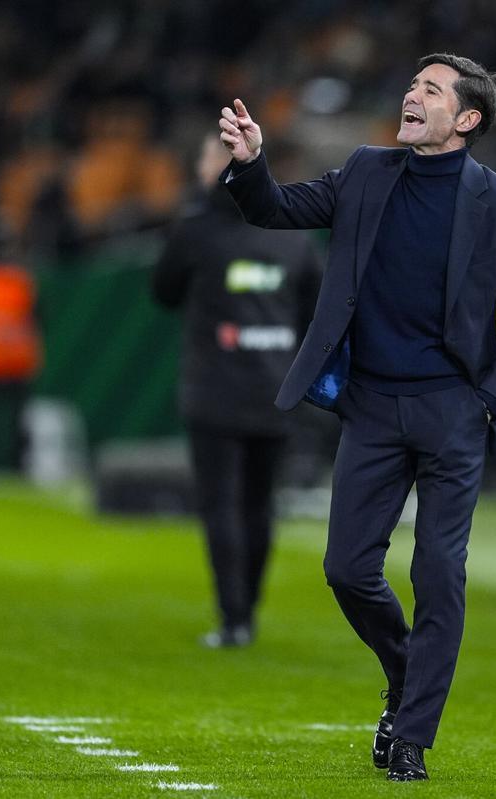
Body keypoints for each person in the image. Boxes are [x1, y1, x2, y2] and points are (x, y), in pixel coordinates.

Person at [219, 53, 496, 781]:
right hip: (370, 407)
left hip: (453, 412)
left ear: (465, 118)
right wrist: (252, 162)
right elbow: (276, 209)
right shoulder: (366, 171)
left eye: (430, 90)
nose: (411, 95)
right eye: (412, 85)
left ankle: (412, 735)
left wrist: (490, 401)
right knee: (346, 568)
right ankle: (405, 677)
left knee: (439, 572)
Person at [152, 133, 322, 649]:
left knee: (221, 505)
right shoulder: (296, 237)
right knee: (260, 505)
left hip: (214, 390)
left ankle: (234, 619)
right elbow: (316, 312)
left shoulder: (198, 231)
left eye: (207, 160)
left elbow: (163, 291)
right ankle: (247, 607)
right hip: (277, 388)